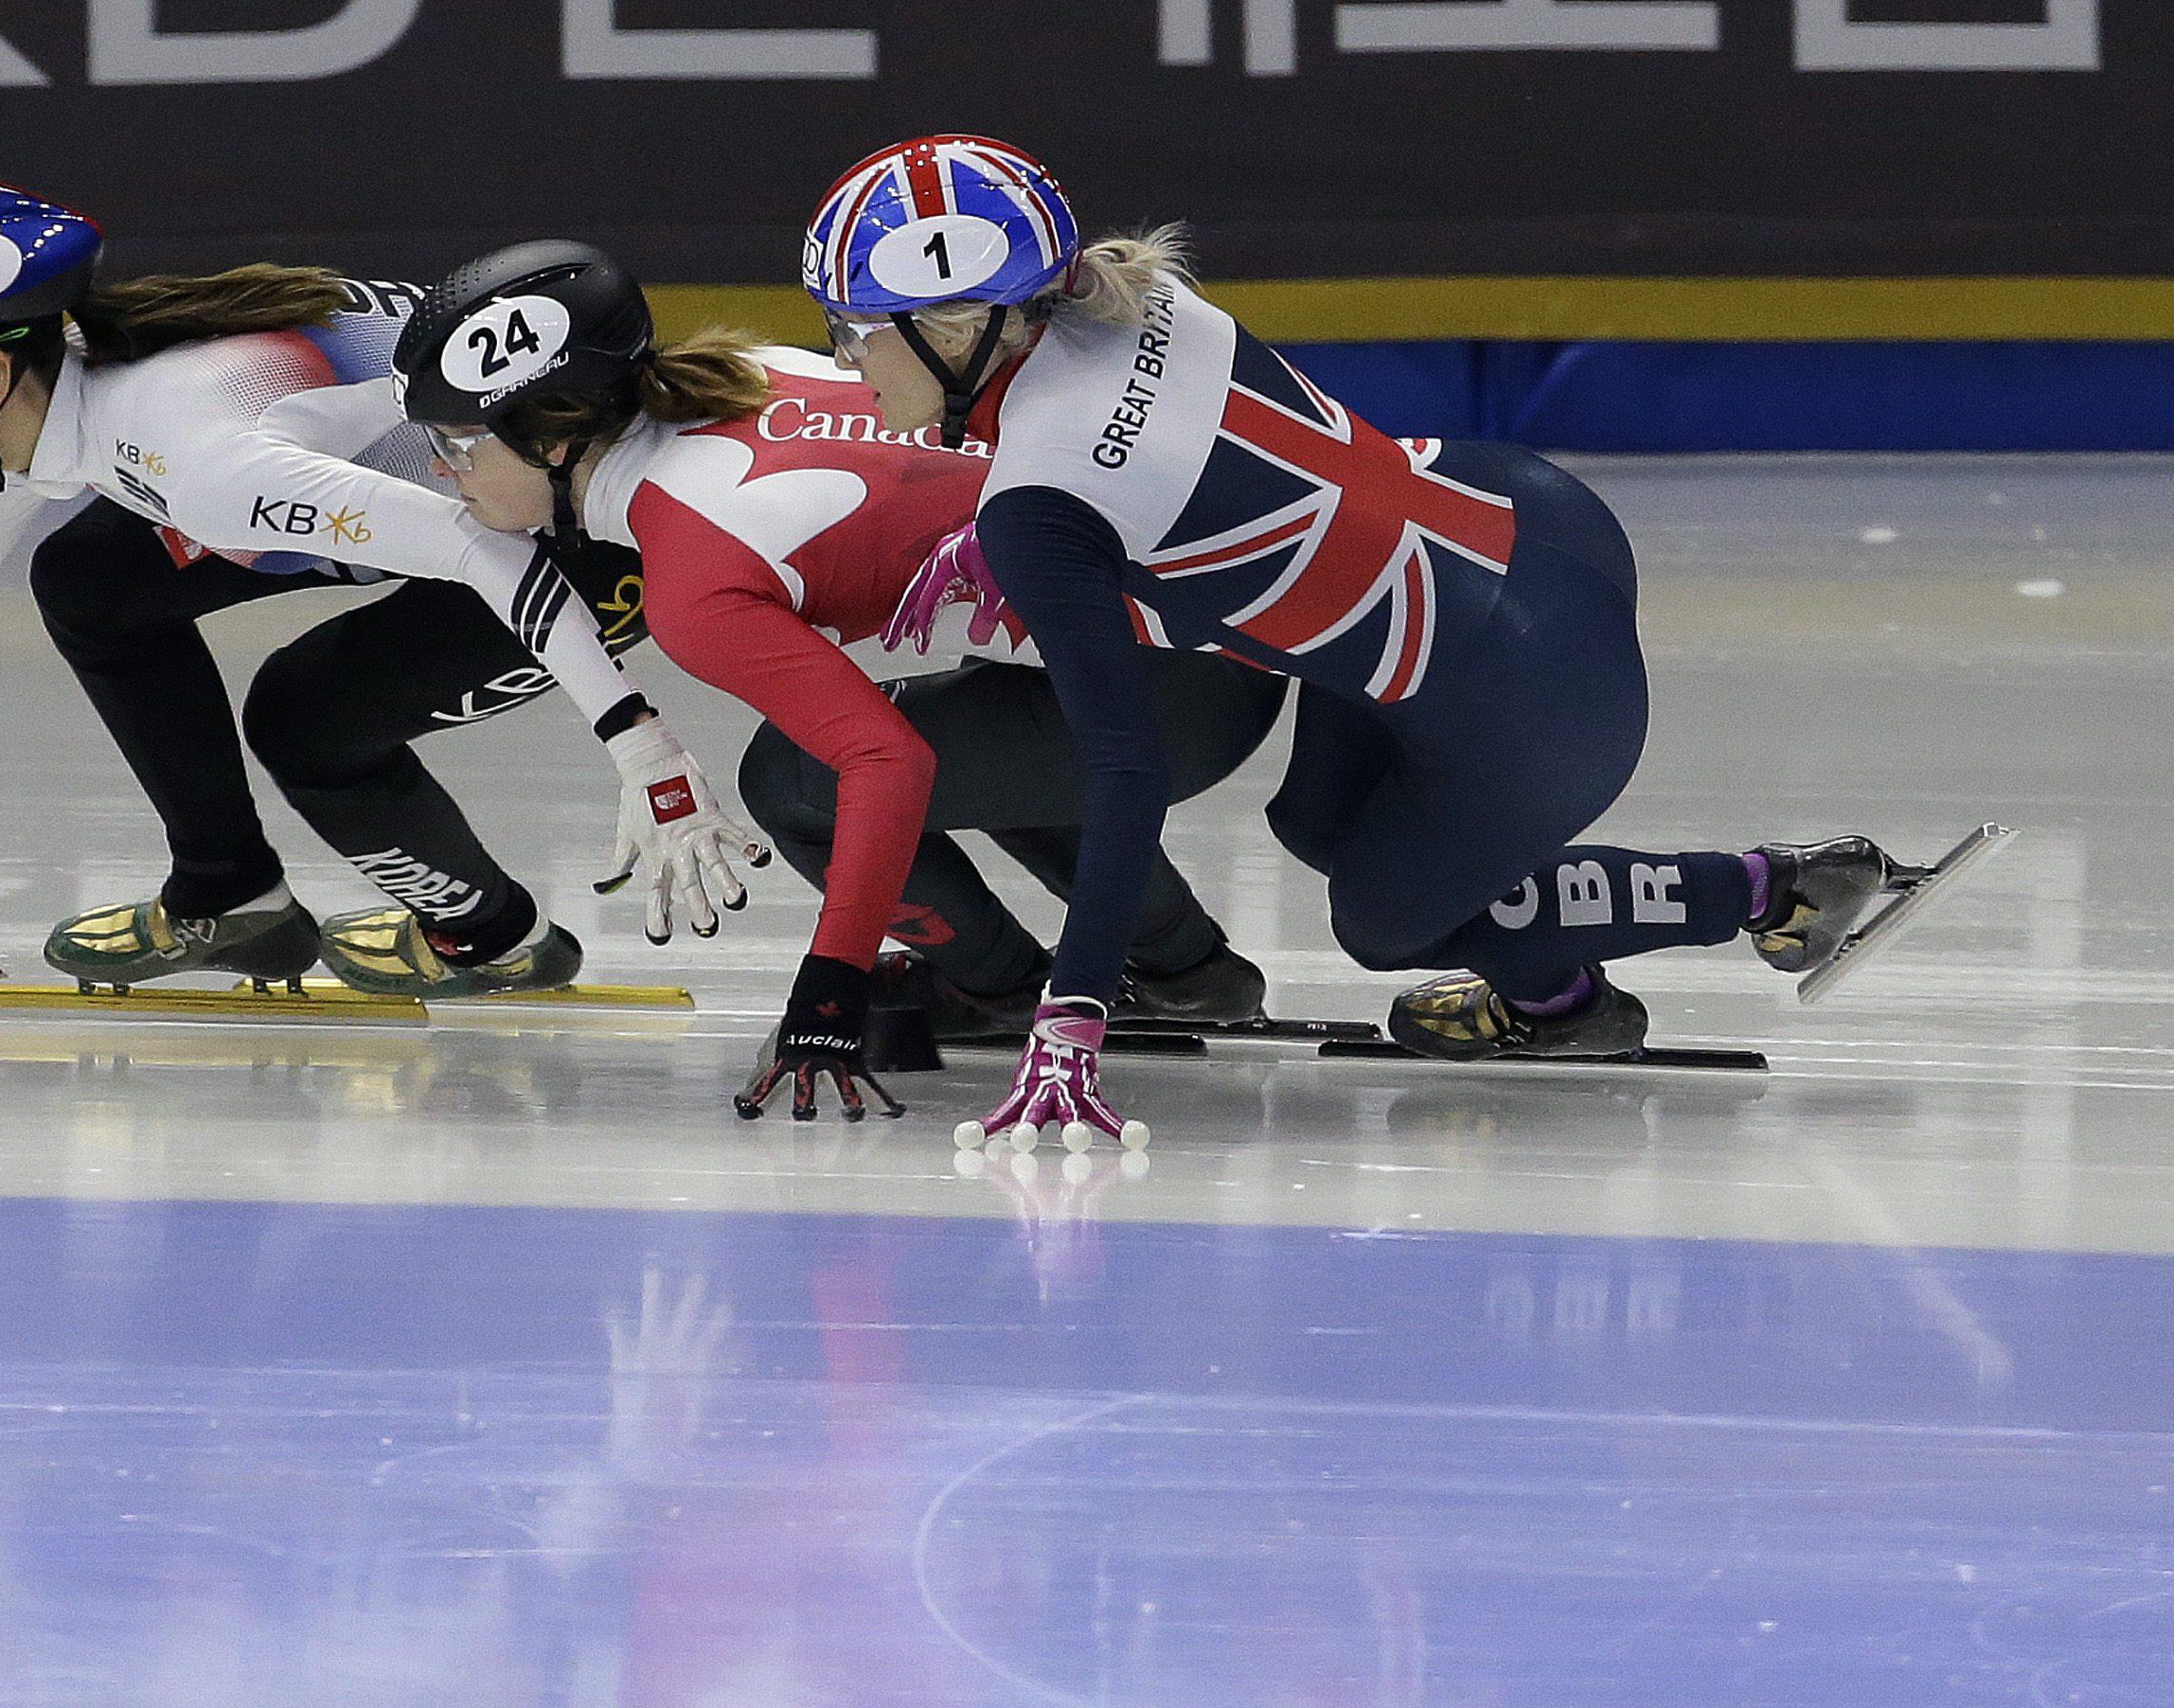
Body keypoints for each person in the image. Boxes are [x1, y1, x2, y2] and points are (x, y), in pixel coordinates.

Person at [795, 134, 1936, 1144]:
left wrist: (1073, 1011)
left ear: (961, 328)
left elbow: (1123, 768)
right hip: (1525, 513)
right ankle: (1577, 977)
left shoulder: (1037, 501)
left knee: (1385, 922)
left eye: (854, 331)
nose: (845, 359)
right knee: (1317, 819)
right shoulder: (1129, 297)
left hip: (1523, 680)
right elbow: (1184, 490)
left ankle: (1740, 906)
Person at [0, 183, 764, 995]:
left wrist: (638, 744)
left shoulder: (199, 456)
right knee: (90, 574)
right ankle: (231, 893)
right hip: (457, 499)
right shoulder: (85, 396)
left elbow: (485, 552)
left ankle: (491, 933)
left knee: (307, 716)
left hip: (587, 542)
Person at [390, 242, 1283, 1122]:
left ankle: (1003, 987)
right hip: (1230, 628)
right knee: (978, 709)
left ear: (551, 438)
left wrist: (829, 992)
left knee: (791, 778)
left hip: (1170, 696)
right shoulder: (744, 369)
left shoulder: (692, 584)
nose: (440, 468)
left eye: (458, 442)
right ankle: (1183, 968)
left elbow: (887, 766)